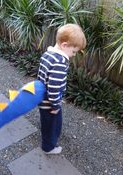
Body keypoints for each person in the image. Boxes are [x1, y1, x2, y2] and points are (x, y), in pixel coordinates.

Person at [37, 23, 86, 154]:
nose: (74, 55)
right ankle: (49, 147)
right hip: (49, 103)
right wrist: (55, 105)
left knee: (46, 122)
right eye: (73, 51)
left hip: (42, 98)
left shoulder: (48, 55)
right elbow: (53, 87)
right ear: (64, 45)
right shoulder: (60, 62)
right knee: (53, 125)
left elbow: (41, 76)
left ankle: (47, 138)